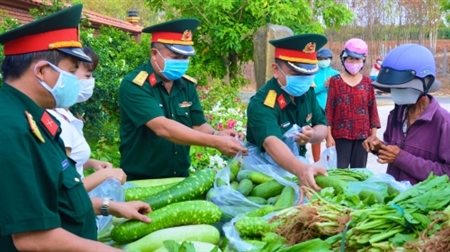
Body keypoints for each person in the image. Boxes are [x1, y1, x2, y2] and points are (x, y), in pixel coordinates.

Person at [0, 5, 150, 251]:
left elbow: (58, 194)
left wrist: (110, 206)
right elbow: (31, 237)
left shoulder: (36, 118)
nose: (76, 81)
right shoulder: (11, 129)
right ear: (40, 71)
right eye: (70, 72)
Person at [119, 18, 247, 180]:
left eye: (185, 58)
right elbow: (162, 128)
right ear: (154, 54)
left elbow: (198, 125)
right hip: (141, 180)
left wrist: (217, 134)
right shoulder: (135, 85)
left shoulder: (186, 85)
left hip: (180, 178)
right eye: (175, 57)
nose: (181, 62)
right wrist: (214, 142)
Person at [246, 34, 329, 192]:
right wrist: (301, 170)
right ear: (276, 70)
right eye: (297, 74)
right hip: (263, 176)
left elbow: (321, 124)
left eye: (308, 73)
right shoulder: (262, 102)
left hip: (298, 168)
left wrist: (312, 135)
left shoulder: (307, 93)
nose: (304, 79)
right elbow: (271, 142)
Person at [363, 44, 450, 185]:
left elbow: (447, 174)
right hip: (394, 197)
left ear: (425, 83)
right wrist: (379, 147)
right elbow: (393, 151)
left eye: (401, 87)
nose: (395, 92)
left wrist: (401, 158)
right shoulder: (396, 115)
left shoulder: (443, 123)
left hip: (421, 203)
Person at [48, 46, 127, 192]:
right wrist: (106, 174)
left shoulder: (65, 115)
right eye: (87, 76)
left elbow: (69, 166)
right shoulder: (58, 124)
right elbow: (64, 189)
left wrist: (90, 163)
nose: (91, 82)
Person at [325, 38, 381, 168]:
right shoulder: (335, 81)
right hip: (340, 137)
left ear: (363, 61)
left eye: (357, 59)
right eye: (350, 58)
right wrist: (328, 136)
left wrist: (373, 137)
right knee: (340, 175)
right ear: (344, 59)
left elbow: (373, 111)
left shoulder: (368, 83)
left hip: (363, 139)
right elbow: (329, 111)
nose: (354, 62)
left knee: (359, 175)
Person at [311, 48, 340, 162]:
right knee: (316, 138)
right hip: (317, 111)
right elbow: (310, 93)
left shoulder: (336, 74)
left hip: (333, 112)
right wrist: (323, 85)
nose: (324, 61)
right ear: (317, 60)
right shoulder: (312, 75)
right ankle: (317, 162)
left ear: (330, 59)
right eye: (321, 59)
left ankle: (329, 162)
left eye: (326, 58)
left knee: (331, 138)